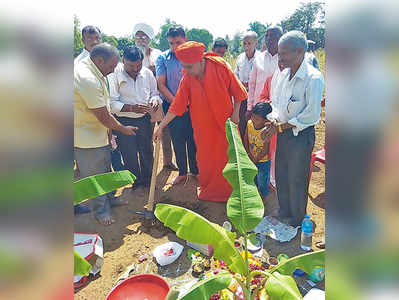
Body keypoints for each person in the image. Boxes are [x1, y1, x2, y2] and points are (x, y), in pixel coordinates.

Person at [153, 41, 248, 202]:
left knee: (227, 159)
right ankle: (210, 192)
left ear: (200, 60)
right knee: (205, 161)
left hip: (225, 124)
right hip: (202, 128)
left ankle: (229, 194)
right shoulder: (188, 77)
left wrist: (236, 114)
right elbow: (177, 106)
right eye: (184, 66)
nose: (186, 71)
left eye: (189, 67)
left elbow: (238, 93)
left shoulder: (221, 67)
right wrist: (161, 126)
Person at [264, 31, 324, 227]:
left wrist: (281, 127)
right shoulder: (282, 75)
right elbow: (277, 105)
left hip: (300, 135)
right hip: (282, 133)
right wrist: (273, 121)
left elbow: (311, 115)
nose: (279, 58)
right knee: (281, 173)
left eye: (283, 53)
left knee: (296, 178)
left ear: (299, 51)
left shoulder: (313, 78)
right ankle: (284, 210)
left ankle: (296, 218)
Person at [74, 43, 138, 225]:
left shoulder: (95, 69)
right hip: (88, 138)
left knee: (105, 170)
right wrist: (122, 128)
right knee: (94, 176)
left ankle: (110, 198)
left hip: (99, 134)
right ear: (99, 60)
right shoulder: (86, 77)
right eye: (111, 66)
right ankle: (101, 211)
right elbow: (103, 115)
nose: (112, 71)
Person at [108, 46, 162, 188]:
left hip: (144, 119)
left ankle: (148, 179)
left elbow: (154, 93)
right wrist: (131, 108)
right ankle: (135, 181)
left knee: (146, 149)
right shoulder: (113, 75)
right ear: (122, 60)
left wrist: (155, 100)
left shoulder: (147, 73)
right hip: (123, 120)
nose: (135, 69)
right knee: (128, 153)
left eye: (138, 65)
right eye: (131, 66)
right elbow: (111, 103)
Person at [156, 26, 199, 185]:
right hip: (172, 105)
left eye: (178, 42)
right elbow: (161, 85)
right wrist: (178, 103)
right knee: (178, 140)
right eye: (171, 43)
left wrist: (188, 103)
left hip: (194, 107)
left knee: (193, 139)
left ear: (185, 39)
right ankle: (182, 173)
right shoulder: (162, 58)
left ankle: (195, 172)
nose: (175, 47)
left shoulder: (193, 56)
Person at [133, 22, 177, 171]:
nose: (141, 39)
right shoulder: (132, 54)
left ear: (149, 39)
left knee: (165, 131)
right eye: (138, 37)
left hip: (161, 98)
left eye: (144, 37)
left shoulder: (158, 54)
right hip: (142, 101)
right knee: (146, 134)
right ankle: (149, 167)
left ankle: (168, 161)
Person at [247, 26, 283, 121]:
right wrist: (250, 107)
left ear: (281, 38)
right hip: (258, 109)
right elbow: (252, 84)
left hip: (277, 110)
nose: (268, 39)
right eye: (266, 36)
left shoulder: (285, 59)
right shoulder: (258, 59)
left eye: (272, 36)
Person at [243, 102, 273, 202]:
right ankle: (255, 195)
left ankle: (263, 198)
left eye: (257, 119)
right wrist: (248, 153)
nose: (253, 120)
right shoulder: (249, 124)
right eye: (253, 116)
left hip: (263, 161)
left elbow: (265, 150)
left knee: (263, 181)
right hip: (252, 158)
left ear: (266, 121)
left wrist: (255, 160)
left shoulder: (266, 131)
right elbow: (246, 138)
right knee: (253, 179)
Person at [234, 31, 260, 138]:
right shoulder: (240, 58)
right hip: (242, 96)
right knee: (241, 124)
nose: (246, 46)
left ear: (255, 44)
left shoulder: (261, 58)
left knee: (254, 124)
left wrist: (250, 84)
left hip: (255, 97)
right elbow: (235, 75)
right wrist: (241, 84)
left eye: (249, 43)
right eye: (244, 43)